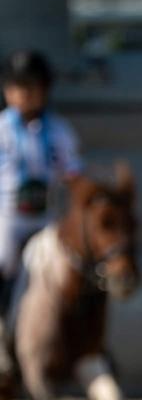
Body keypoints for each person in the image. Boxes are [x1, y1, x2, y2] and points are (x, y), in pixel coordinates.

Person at [0, 50, 82, 372]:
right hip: (8, 215)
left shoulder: (58, 130)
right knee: (4, 263)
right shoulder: (3, 129)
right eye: (17, 86)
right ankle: (4, 336)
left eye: (31, 87)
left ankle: (72, 340)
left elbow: (73, 171)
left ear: (44, 90)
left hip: (46, 216)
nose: (24, 94)